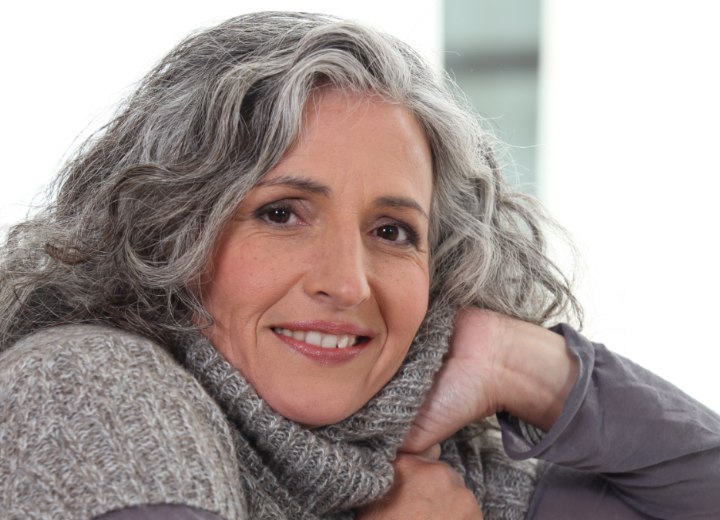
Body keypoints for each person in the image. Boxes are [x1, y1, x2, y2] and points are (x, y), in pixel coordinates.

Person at [0, 11, 718, 520]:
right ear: (169, 230)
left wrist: (525, 366)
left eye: (391, 230)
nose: (347, 282)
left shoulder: (432, 468)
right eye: (281, 214)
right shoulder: (93, 389)